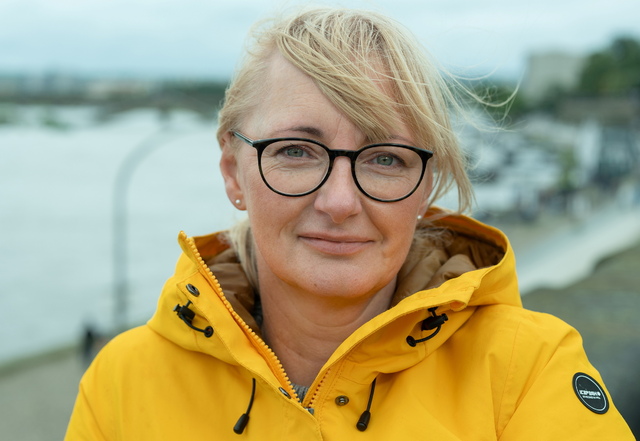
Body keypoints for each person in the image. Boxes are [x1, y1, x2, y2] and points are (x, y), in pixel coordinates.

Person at [65, 7, 634, 439]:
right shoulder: (124, 383)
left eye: (386, 158)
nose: (339, 201)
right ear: (232, 172)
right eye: (295, 151)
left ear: (427, 187)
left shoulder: (525, 371)